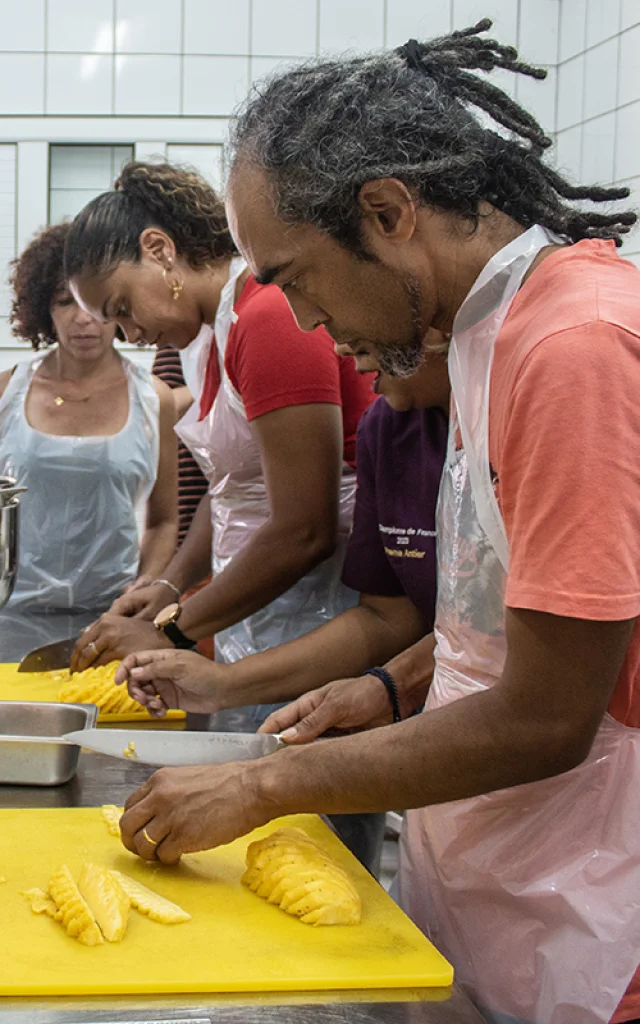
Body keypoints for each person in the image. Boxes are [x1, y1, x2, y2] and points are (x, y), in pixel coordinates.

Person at [112, 21, 640, 1024]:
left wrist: (269, 787)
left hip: (595, 917)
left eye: (299, 275)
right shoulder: (490, 336)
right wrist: (391, 686)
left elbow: (548, 713)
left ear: (389, 211)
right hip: (503, 883)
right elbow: (501, 614)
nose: (306, 323)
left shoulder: (576, 346)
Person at [64, 161, 377, 869]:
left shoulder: (268, 317)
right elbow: (236, 486)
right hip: (260, 630)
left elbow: (304, 529)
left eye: (120, 307)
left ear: (159, 250)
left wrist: (173, 628)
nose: (127, 331)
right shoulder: (213, 335)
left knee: (310, 854)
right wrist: (171, 585)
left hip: (319, 632)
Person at [112, 343, 448, 721]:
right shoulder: (388, 427)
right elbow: (387, 619)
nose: (339, 346)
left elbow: (491, 643)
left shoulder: (514, 410)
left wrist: (392, 685)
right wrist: (222, 684)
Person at [0, 221, 177, 616]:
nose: (83, 320)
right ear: (43, 307)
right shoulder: (7, 392)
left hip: (110, 616)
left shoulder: (154, 398)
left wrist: (144, 588)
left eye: (94, 304)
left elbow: (164, 521)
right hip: (8, 613)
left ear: (118, 304)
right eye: (65, 301)